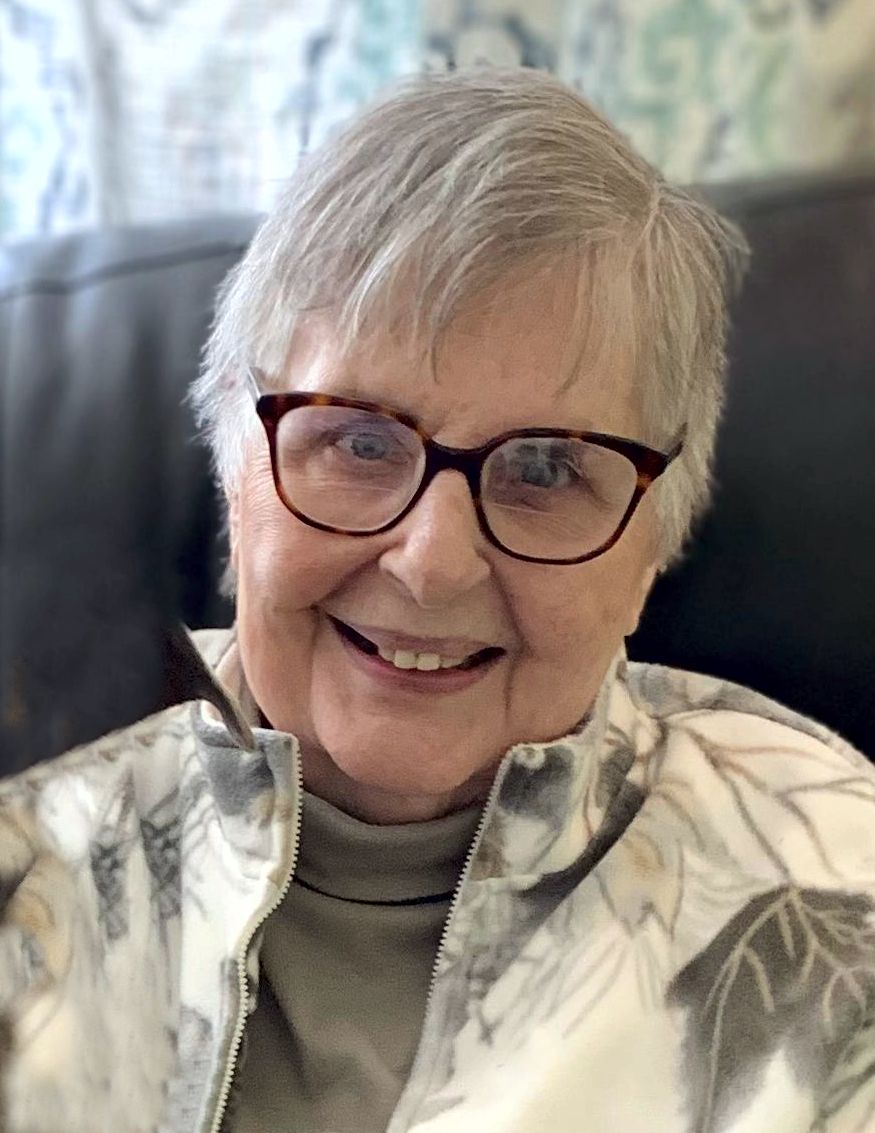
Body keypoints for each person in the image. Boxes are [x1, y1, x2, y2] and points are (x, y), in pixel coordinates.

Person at [1, 67, 874, 1133]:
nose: (431, 564)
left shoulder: (837, 901)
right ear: (236, 467)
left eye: (545, 468)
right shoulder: (30, 830)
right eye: (359, 442)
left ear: (652, 545)